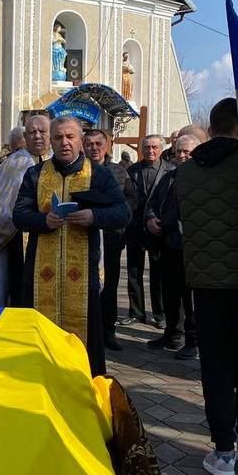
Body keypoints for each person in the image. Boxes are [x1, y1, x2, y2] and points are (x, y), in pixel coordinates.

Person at [178, 98, 238, 475]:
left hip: (207, 283)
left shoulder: (185, 172)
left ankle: (223, 452)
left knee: (216, 367)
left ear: (210, 129)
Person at [14, 115, 130, 377]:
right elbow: (18, 216)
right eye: (58, 137)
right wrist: (43, 221)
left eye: (70, 137)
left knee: (86, 344)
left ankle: (83, 388)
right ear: (51, 141)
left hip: (83, 276)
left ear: (80, 140)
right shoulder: (35, 174)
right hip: (40, 274)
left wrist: (94, 216)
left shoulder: (98, 174)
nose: (64, 142)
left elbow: (123, 213)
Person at [0, 115, 50, 307]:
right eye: (32, 132)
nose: (37, 136)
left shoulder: (56, 161)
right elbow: (0, 203)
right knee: (16, 288)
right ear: (25, 137)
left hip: (49, 235)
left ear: (50, 134)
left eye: (42, 131)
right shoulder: (13, 163)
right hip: (14, 237)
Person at [145, 134, 199, 360]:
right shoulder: (169, 177)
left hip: (192, 248)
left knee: (190, 299)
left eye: (187, 152)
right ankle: (172, 334)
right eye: (179, 151)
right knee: (170, 294)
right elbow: (151, 204)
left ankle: (193, 341)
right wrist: (151, 218)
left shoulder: (202, 178)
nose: (182, 155)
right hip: (167, 245)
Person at [82, 128, 130, 352]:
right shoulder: (80, 171)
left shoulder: (119, 171)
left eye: (98, 144)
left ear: (107, 145)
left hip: (111, 239)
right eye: (89, 144)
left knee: (109, 287)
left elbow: (130, 202)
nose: (94, 148)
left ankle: (108, 332)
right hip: (85, 239)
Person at [124, 134, 172, 327]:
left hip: (158, 228)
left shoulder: (170, 170)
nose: (150, 151)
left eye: (154, 147)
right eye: (146, 147)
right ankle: (136, 312)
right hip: (135, 228)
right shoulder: (132, 170)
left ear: (161, 149)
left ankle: (160, 314)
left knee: (158, 274)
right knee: (134, 272)